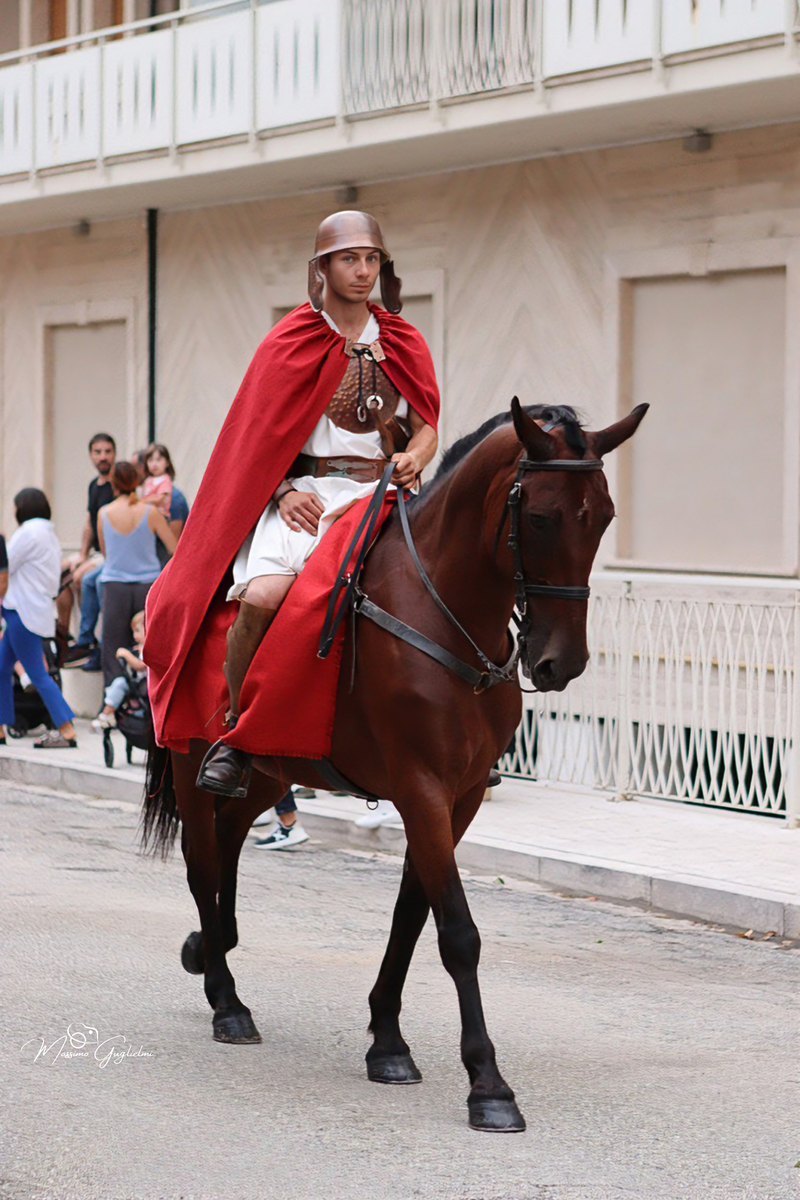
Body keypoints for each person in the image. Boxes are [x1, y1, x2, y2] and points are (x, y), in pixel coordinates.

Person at [143, 210, 440, 798]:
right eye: (349, 259)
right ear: (322, 268)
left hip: (380, 496)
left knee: (433, 591)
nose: (362, 271)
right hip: (303, 498)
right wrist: (283, 491)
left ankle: (442, 732)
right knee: (263, 595)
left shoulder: (402, 340)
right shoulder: (290, 339)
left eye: (372, 259)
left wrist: (420, 456)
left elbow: (427, 422)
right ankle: (234, 737)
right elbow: (254, 442)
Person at [0, 489, 78, 749]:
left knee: (38, 674)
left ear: (22, 508)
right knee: (1, 669)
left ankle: (67, 729)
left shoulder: (27, 533)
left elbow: (5, 563)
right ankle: (1, 727)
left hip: (20, 612)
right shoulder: (49, 535)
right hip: (32, 611)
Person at [98, 463, 176, 695]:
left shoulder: (104, 513)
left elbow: (105, 553)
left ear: (113, 483)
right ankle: (150, 701)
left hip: (114, 586)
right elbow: (174, 548)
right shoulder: (150, 512)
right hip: (147, 586)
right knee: (150, 646)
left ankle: (113, 706)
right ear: (137, 482)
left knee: (112, 648)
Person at [61, 433, 117, 670]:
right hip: (95, 553)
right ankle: (63, 637)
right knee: (62, 573)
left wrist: (90, 561)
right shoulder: (94, 485)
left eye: (107, 451)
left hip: (110, 555)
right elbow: (88, 522)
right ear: (91, 455)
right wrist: (82, 555)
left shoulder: (118, 484)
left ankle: (88, 640)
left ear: (114, 453)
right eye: (98, 452)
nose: (103, 457)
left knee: (82, 578)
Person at [91, 609, 145, 731]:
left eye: (137, 631)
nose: (134, 635)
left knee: (120, 683)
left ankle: (106, 714)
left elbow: (140, 665)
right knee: (119, 683)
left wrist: (126, 654)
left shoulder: (148, 648)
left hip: (144, 685)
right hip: (139, 684)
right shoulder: (141, 648)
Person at [141, 443, 174, 515]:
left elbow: (160, 499)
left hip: (161, 515)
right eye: (150, 460)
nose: (154, 464)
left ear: (167, 462)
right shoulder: (148, 480)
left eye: (158, 460)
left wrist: (141, 501)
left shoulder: (165, 480)